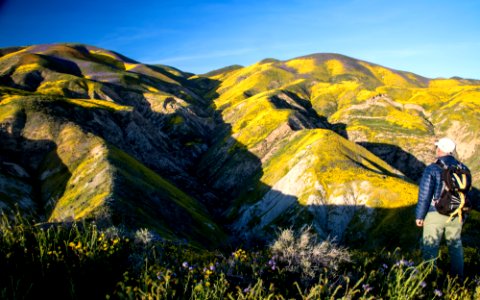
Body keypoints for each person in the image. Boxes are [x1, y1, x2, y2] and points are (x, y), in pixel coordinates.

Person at [415, 137, 472, 278]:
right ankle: (458, 280)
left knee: (430, 247)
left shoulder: (433, 168)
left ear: (440, 150)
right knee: (455, 247)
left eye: (437, 147)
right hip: (457, 214)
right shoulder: (463, 168)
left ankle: (429, 281)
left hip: (436, 213)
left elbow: (425, 194)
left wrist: (420, 216)